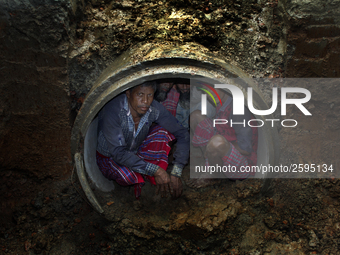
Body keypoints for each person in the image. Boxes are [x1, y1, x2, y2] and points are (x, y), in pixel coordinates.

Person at [96, 81, 189, 198]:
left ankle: (149, 174)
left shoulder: (153, 108)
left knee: (163, 131)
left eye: (149, 95)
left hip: (136, 150)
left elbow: (182, 133)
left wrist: (177, 170)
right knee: (128, 176)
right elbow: (118, 153)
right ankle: (138, 188)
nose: (145, 101)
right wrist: (156, 170)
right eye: (140, 94)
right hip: (110, 157)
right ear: (128, 93)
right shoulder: (114, 109)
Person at [188, 87, 258, 188]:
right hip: (224, 148)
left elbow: (246, 149)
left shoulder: (238, 109)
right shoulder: (222, 102)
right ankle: (212, 164)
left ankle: (214, 175)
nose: (210, 94)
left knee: (216, 142)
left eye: (213, 89)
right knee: (195, 116)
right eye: (207, 91)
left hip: (243, 163)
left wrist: (212, 146)